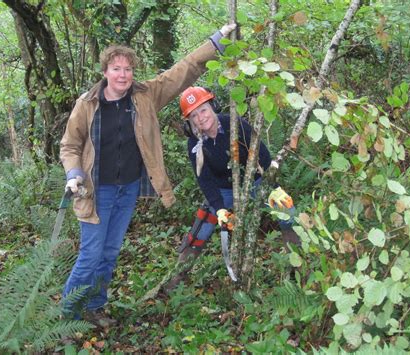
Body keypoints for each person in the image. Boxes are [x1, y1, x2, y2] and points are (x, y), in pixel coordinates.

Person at [59, 24, 237, 322]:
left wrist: (217, 40)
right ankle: (68, 315)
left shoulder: (145, 96)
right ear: (105, 71)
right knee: (91, 255)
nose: (123, 75)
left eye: (128, 69)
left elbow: (183, 70)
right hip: (94, 190)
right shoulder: (87, 104)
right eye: (117, 69)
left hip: (127, 189)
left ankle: (94, 307)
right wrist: (73, 172)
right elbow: (69, 145)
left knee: (110, 252)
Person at [163, 86, 300, 292]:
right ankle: (176, 279)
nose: (201, 118)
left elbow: (262, 153)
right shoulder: (194, 143)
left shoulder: (234, 124)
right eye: (194, 115)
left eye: (203, 110)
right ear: (188, 121)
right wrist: (218, 208)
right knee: (201, 228)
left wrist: (272, 186)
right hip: (222, 190)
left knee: (287, 211)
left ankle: (298, 268)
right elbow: (205, 180)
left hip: (255, 180)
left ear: (213, 107)